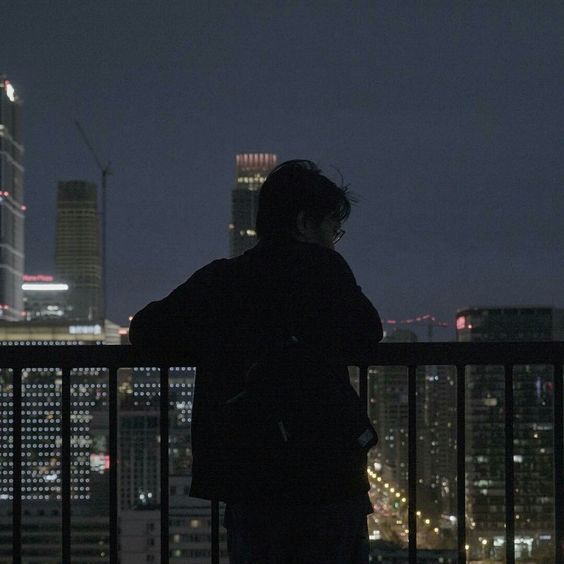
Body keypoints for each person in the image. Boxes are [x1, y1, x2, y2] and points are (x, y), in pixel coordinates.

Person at [129, 160, 383, 563]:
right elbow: (369, 334)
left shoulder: (223, 280)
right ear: (303, 223)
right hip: (327, 474)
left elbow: (145, 332)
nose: (334, 241)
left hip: (251, 475)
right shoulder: (325, 271)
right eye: (331, 230)